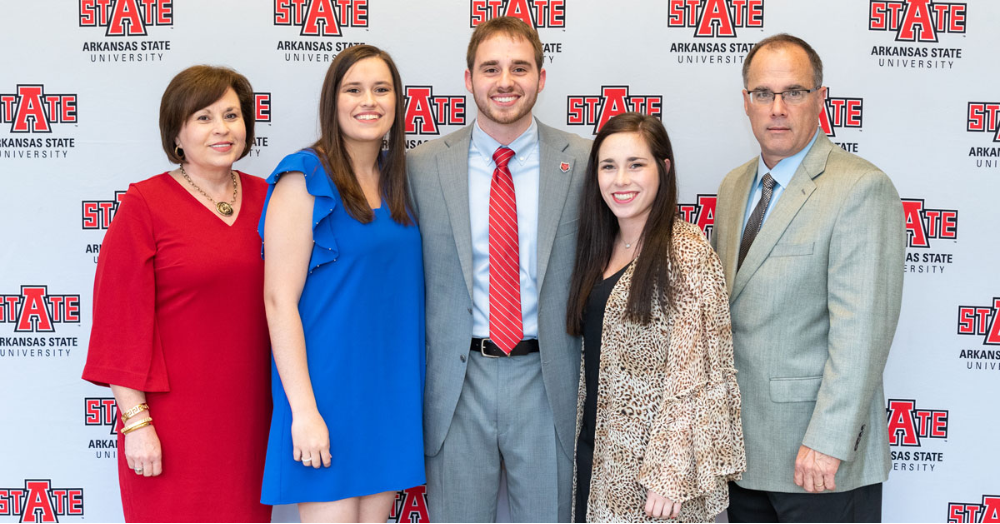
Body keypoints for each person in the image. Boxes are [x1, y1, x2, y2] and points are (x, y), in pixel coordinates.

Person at [711, 34, 905, 522]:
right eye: (763, 94)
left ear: (821, 98)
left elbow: (862, 332)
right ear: (746, 103)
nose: (777, 108)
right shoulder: (734, 186)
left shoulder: (860, 187)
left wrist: (829, 441)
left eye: (794, 92)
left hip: (817, 462)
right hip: (740, 456)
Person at [407, 16, 591, 523]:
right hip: (456, 383)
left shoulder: (586, 161)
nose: (505, 82)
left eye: (519, 68)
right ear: (468, 79)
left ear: (542, 77)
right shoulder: (420, 167)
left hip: (548, 377)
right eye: (490, 68)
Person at [82, 65, 271, 522]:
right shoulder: (144, 204)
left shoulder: (271, 197)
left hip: (251, 418)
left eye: (232, 115)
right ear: (177, 133)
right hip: (170, 422)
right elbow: (118, 324)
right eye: (203, 117)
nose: (222, 129)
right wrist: (136, 423)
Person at [258, 44, 424, 523]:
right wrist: (303, 412)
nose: (368, 101)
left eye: (381, 89)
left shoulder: (402, 178)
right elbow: (278, 301)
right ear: (333, 100)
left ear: (397, 102)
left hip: (389, 391)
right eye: (353, 89)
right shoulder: (304, 176)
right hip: (325, 390)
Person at [566, 112, 746, 523]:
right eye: (608, 166)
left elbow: (699, 371)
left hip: (656, 478)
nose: (620, 180)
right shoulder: (599, 246)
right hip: (598, 459)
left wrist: (670, 473)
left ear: (663, 169)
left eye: (636, 165)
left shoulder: (686, 253)